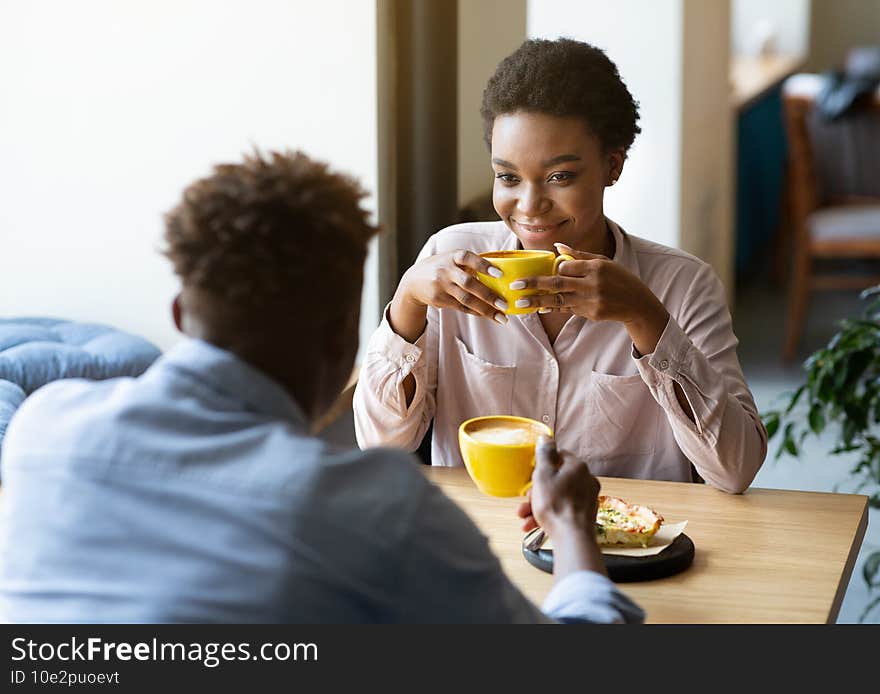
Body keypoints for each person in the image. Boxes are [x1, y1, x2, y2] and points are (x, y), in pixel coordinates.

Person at [0, 150, 642, 624]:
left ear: (177, 314)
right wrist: (574, 533)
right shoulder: (379, 511)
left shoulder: (42, 429)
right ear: (341, 342)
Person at [354, 38, 767, 493]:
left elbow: (736, 469)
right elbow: (381, 447)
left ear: (612, 166)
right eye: (507, 177)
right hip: (480, 546)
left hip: (622, 550)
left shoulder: (683, 284)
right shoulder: (452, 259)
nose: (529, 205)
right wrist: (407, 302)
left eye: (559, 177)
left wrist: (645, 317)